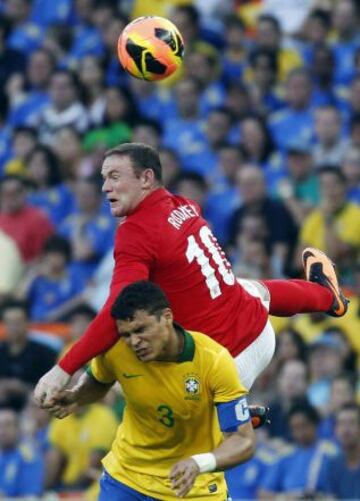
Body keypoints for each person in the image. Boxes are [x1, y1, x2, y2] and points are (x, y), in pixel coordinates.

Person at [35, 143, 348, 410]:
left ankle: (224, 417)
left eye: (114, 176)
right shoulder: (184, 204)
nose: (105, 187)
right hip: (260, 331)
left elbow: (117, 308)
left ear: (146, 178)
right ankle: (327, 296)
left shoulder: (135, 233)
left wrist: (64, 368)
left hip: (223, 368)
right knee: (240, 286)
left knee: (127, 358)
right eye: (104, 178)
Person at [47, 280, 256, 500]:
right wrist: (76, 397)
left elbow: (243, 440)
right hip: (127, 478)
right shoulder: (117, 350)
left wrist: (199, 462)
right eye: (126, 334)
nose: (134, 341)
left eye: (141, 330)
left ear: (167, 317)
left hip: (191, 485)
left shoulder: (213, 361)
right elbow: (99, 380)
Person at [323, 403, 360, 499]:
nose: (346, 429)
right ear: (335, 430)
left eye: (352, 423)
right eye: (341, 423)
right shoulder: (333, 464)